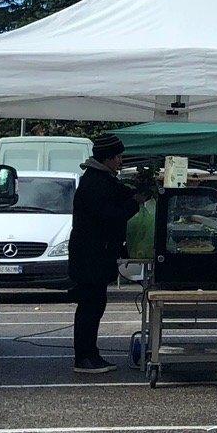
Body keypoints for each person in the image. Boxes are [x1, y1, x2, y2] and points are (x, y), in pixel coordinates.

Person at [67, 133, 152, 375]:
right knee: (90, 306)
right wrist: (134, 203)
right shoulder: (95, 183)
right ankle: (84, 357)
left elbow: (120, 192)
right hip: (90, 256)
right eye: (118, 157)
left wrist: (137, 192)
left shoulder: (102, 178)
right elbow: (110, 215)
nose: (121, 161)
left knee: (95, 304)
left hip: (94, 255)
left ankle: (90, 353)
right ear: (107, 158)